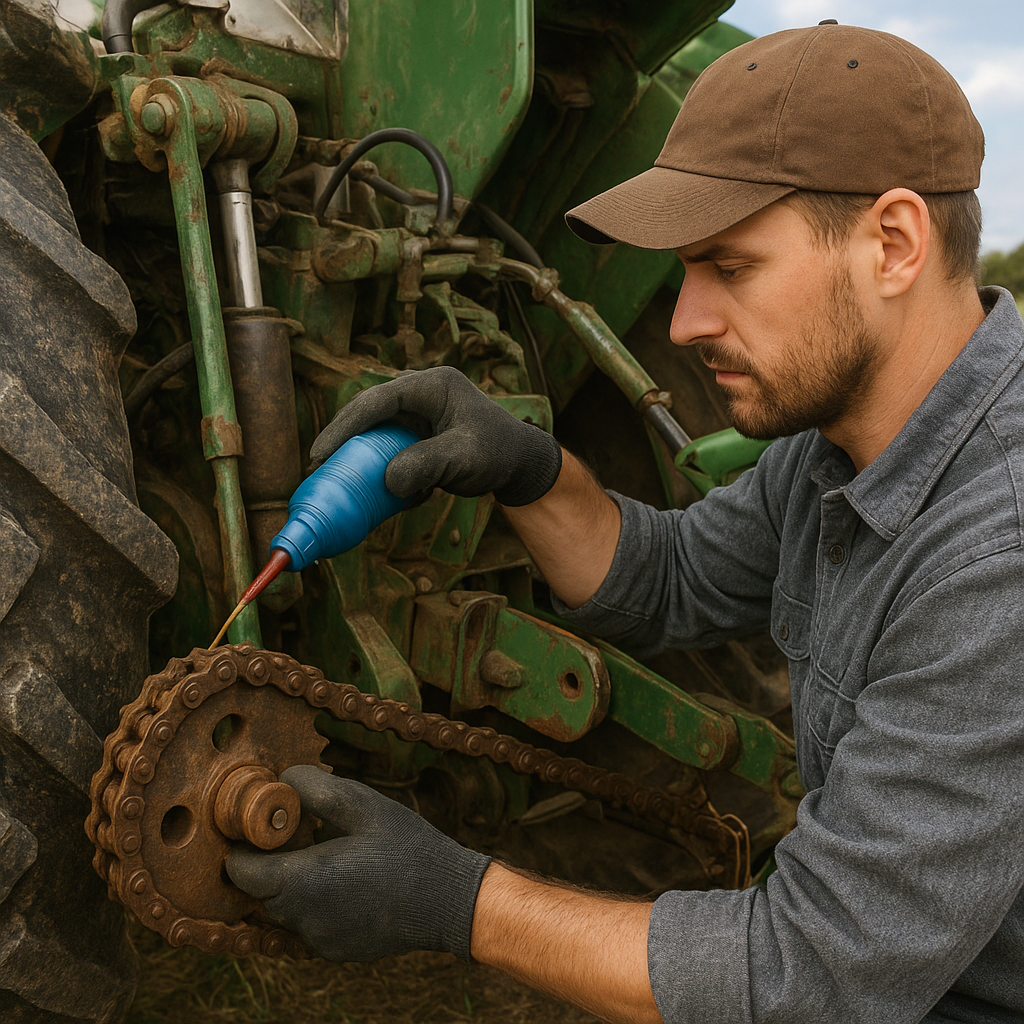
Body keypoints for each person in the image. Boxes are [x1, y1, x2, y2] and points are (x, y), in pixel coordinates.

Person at [227, 22, 1024, 1024]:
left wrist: (457, 901)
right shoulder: (838, 447)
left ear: (894, 244)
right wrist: (530, 471)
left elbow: (810, 980)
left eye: (729, 266)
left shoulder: (998, 552)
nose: (684, 320)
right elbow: (672, 577)